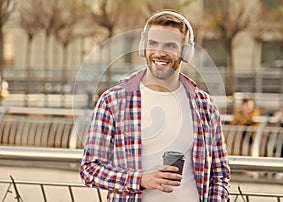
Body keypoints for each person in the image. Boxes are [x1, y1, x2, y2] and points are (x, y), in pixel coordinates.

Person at [80, 10, 230, 201]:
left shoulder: (205, 106)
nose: (160, 53)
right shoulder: (113, 101)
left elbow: (219, 174)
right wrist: (140, 179)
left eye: (170, 46)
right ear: (144, 47)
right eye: (153, 44)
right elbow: (90, 169)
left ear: (186, 53)